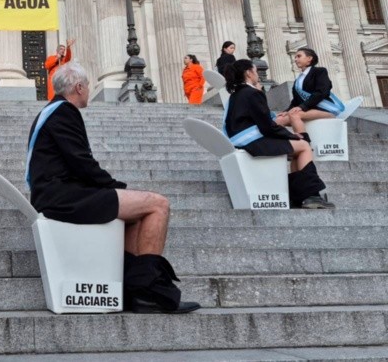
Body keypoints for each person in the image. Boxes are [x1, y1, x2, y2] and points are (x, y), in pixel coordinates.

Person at [26, 62, 200, 313]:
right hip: (62, 197)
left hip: (58, 193)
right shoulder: (64, 112)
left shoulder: (53, 111)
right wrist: (117, 187)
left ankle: (134, 291)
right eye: (86, 86)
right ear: (78, 87)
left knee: (137, 214)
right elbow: (82, 163)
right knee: (158, 204)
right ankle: (151, 290)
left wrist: (117, 190)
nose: (88, 91)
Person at [223, 59, 334, 209]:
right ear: (249, 73)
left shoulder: (236, 94)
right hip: (254, 143)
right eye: (255, 71)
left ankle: (300, 196)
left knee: (297, 150)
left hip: (242, 141)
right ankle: (311, 195)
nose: (257, 75)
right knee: (304, 146)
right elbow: (267, 127)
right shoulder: (252, 93)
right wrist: (292, 136)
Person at [274, 47, 344, 128]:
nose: (295, 59)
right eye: (295, 57)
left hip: (324, 109)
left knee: (287, 118)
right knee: (279, 118)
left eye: (299, 56)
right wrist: (286, 111)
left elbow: (322, 92)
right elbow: (296, 101)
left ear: (309, 58)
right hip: (307, 110)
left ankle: (303, 139)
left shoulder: (320, 71)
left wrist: (302, 107)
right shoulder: (298, 79)